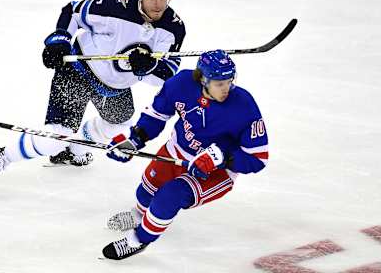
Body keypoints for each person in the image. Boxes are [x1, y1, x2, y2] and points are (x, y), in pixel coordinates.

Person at [0, 0, 186, 183]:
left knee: (121, 123)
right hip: (78, 71)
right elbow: (73, 11)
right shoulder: (116, 6)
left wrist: (148, 67)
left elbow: (165, 76)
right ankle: (5, 156)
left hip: (114, 87)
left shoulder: (173, 28)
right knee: (55, 139)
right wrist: (60, 40)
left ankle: (74, 149)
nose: (158, 4)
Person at [101, 50, 269, 260]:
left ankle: (139, 239)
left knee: (169, 196)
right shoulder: (180, 84)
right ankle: (140, 214)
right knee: (146, 192)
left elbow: (258, 158)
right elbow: (157, 115)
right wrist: (135, 138)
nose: (226, 88)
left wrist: (223, 158)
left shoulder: (243, 105)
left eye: (229, 81)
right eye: (219, 83)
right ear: (203, 80)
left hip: (216, 172)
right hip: (176, 151)